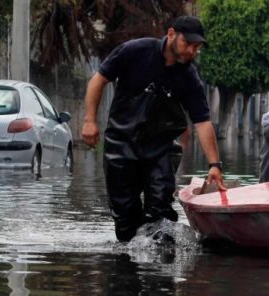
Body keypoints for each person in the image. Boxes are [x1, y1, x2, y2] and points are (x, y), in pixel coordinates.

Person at [82, 15, 226, 243]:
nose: (191, 51)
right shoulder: (134, 51)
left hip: (160, 149)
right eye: (187, 43)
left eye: (197, 47)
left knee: (160, 215)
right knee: (125, 220)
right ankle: (127, 271)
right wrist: (90, 121)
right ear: (171, 34)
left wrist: (214, 165)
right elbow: (98, 80)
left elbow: (202, 121)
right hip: (121, 146)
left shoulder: (189, 76)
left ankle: (160, 272)